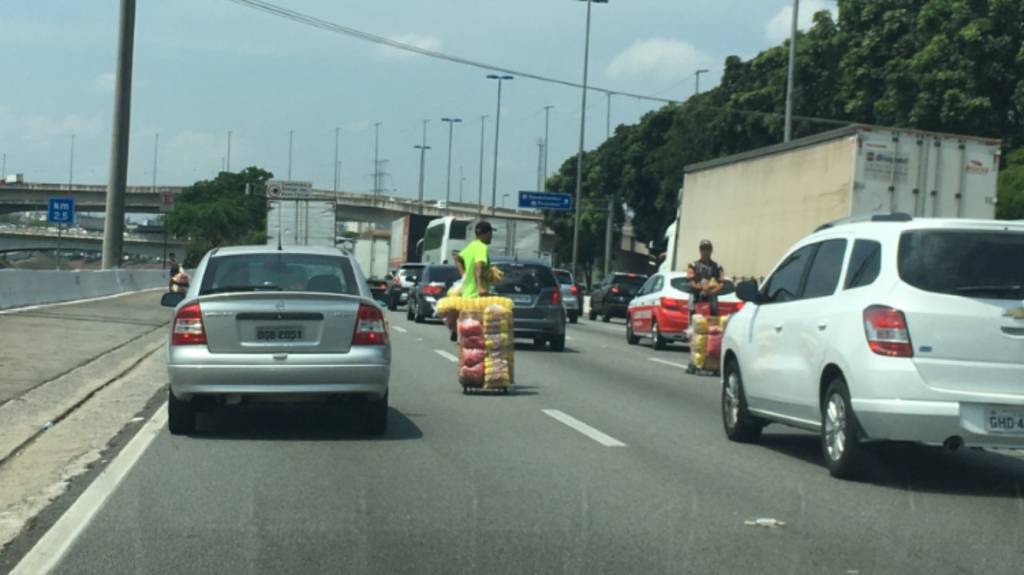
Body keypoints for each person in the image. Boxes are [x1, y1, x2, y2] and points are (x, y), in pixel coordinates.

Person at [455, 221, 494, 299]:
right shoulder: (481, 247)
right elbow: (478, 266)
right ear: (487, 233)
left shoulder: (471, 246)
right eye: (491, 233)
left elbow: (457, 258)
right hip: (476, 296)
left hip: (467, 294)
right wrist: (480, 287)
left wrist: (464, 275)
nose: (491, 236)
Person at [688, 239, 724, 317]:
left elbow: (721, 283)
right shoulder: (692, 265)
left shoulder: (718, 266)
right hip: (696, 298)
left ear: (711, 250)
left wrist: (711, 291)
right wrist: (703, 288)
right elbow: (691, 283)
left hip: (712, 298)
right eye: (703, 249)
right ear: (700, 250)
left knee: (713, 323)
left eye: (707, 248)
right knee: (694, 318)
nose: (705, 251)